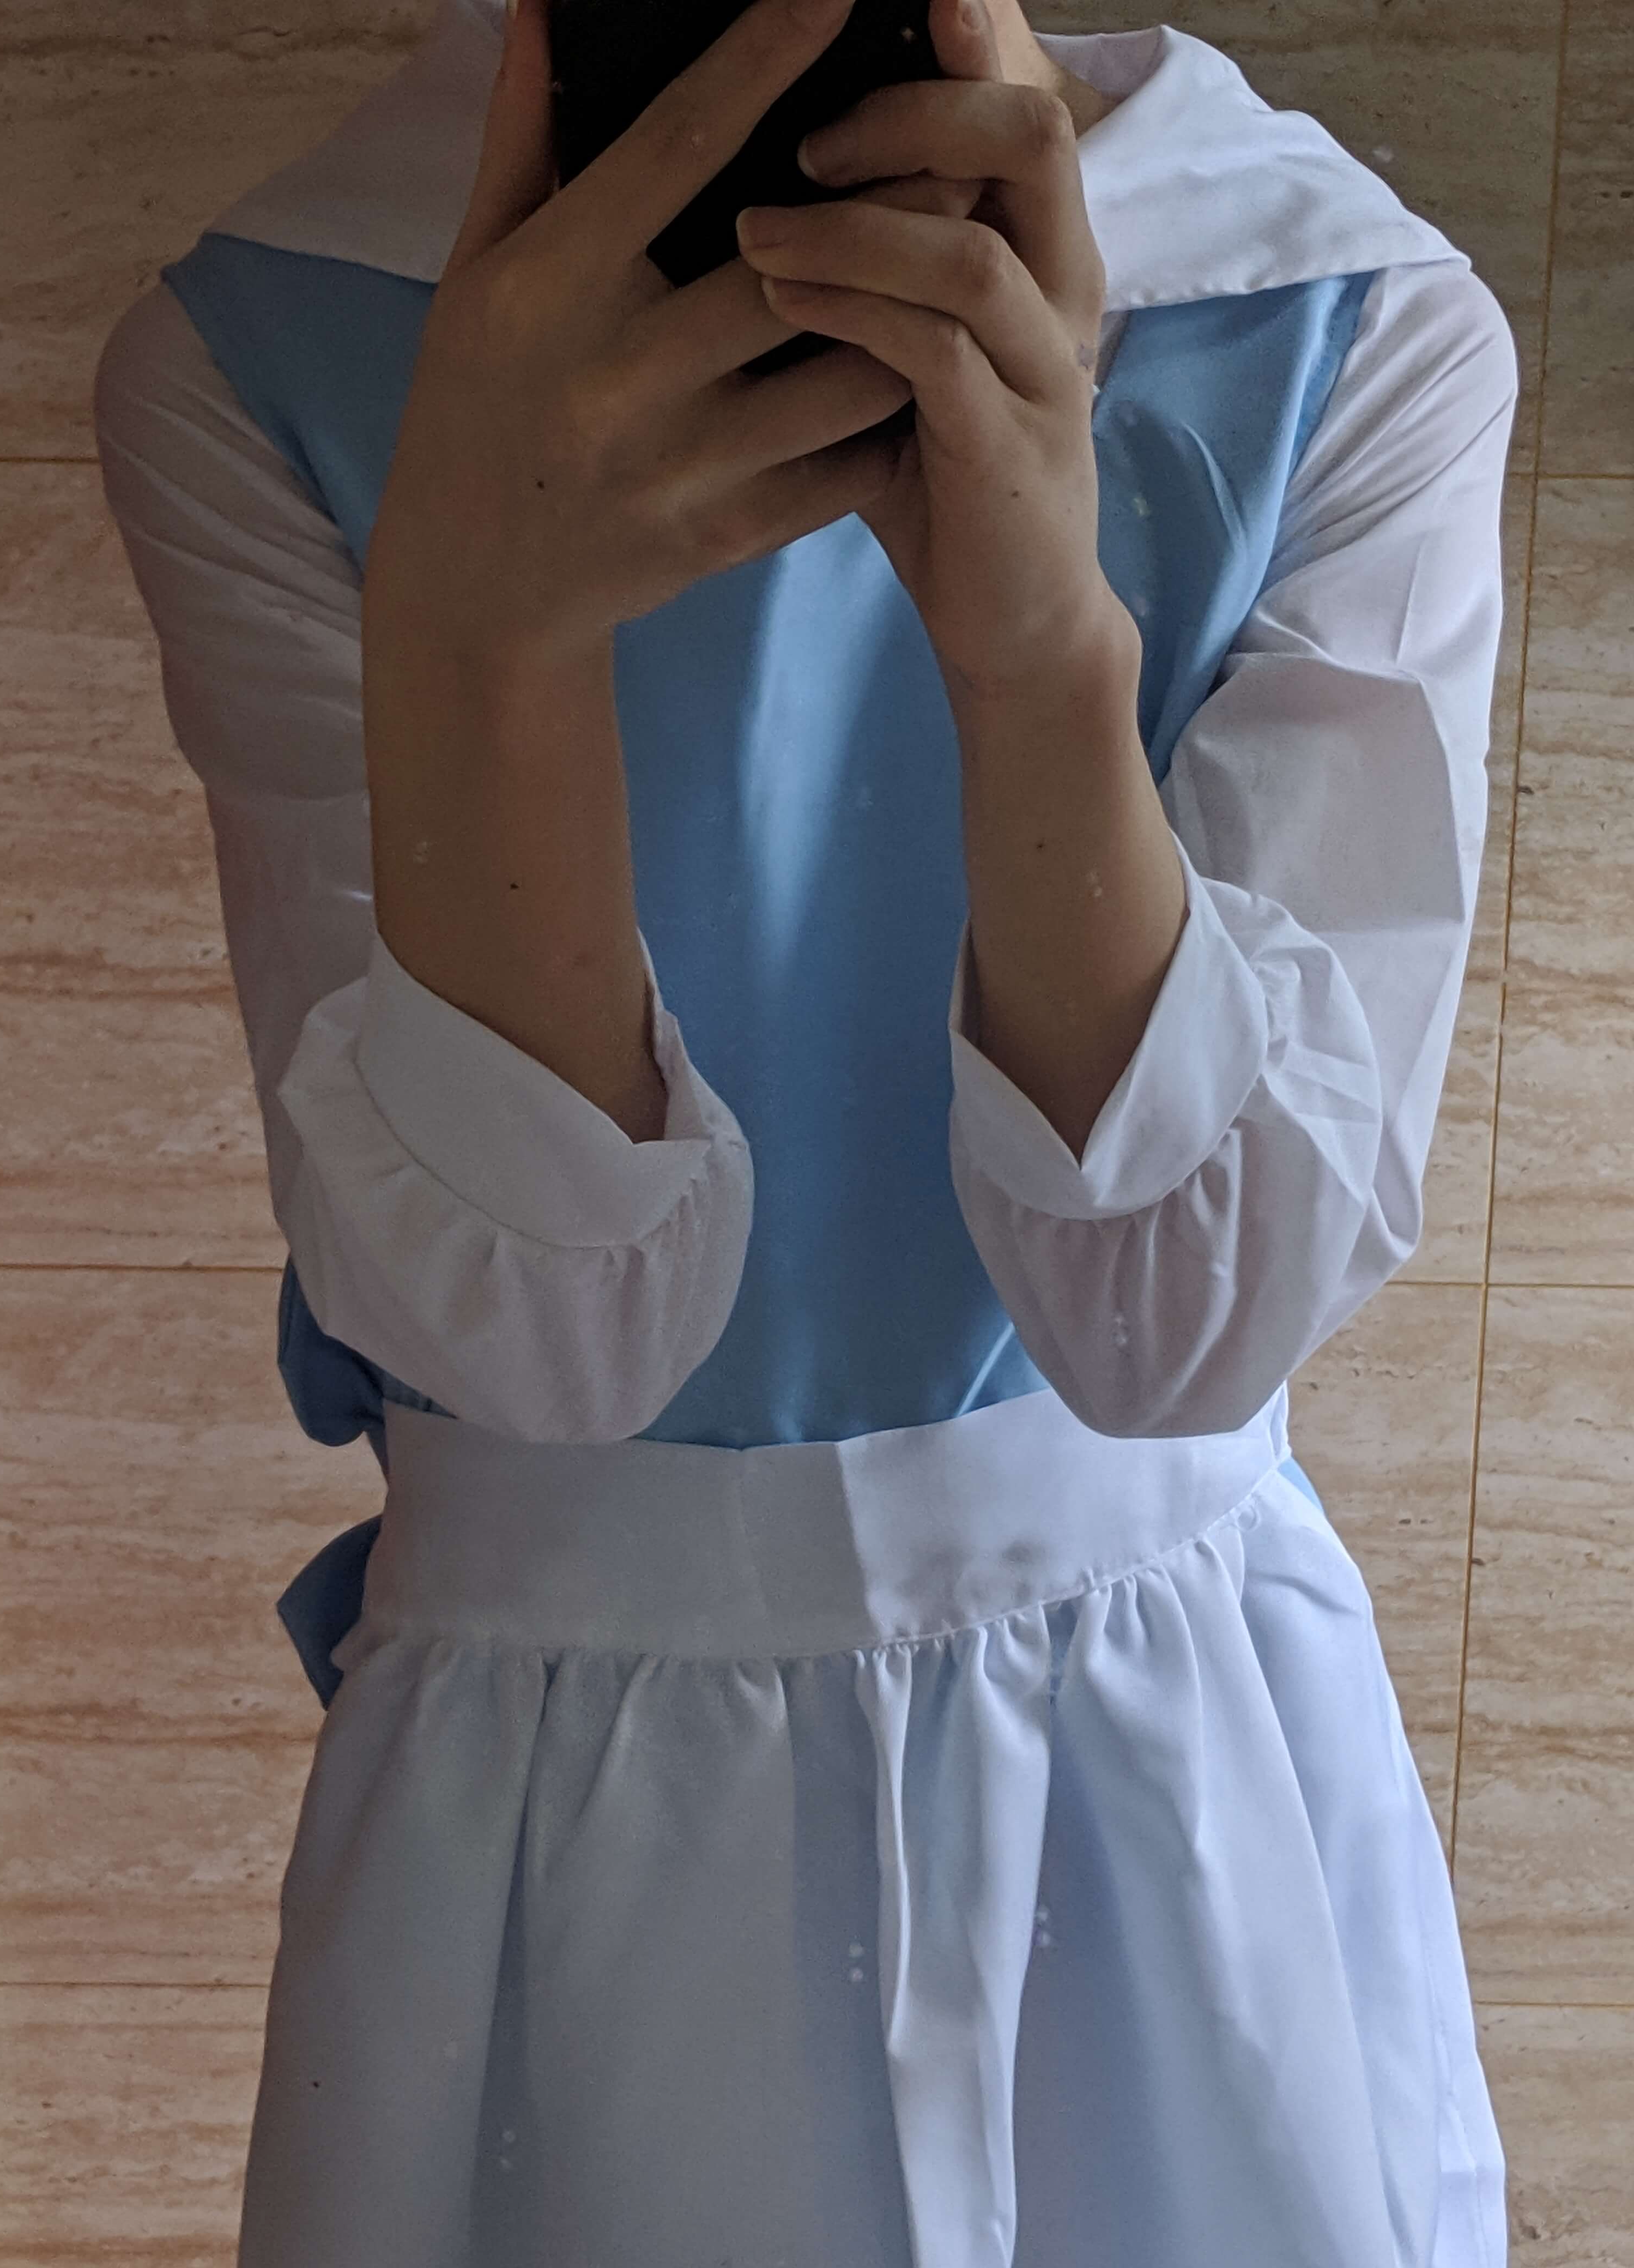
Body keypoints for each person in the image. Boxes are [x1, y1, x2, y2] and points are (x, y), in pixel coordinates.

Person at [93, 0, 1517, 2254]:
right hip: (551, 1832)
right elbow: (539, 1342)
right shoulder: (264, 358)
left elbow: (1187, 1324)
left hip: (1155, 1778)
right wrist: (480, 633)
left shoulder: (1339, 317)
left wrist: (1044, 652)